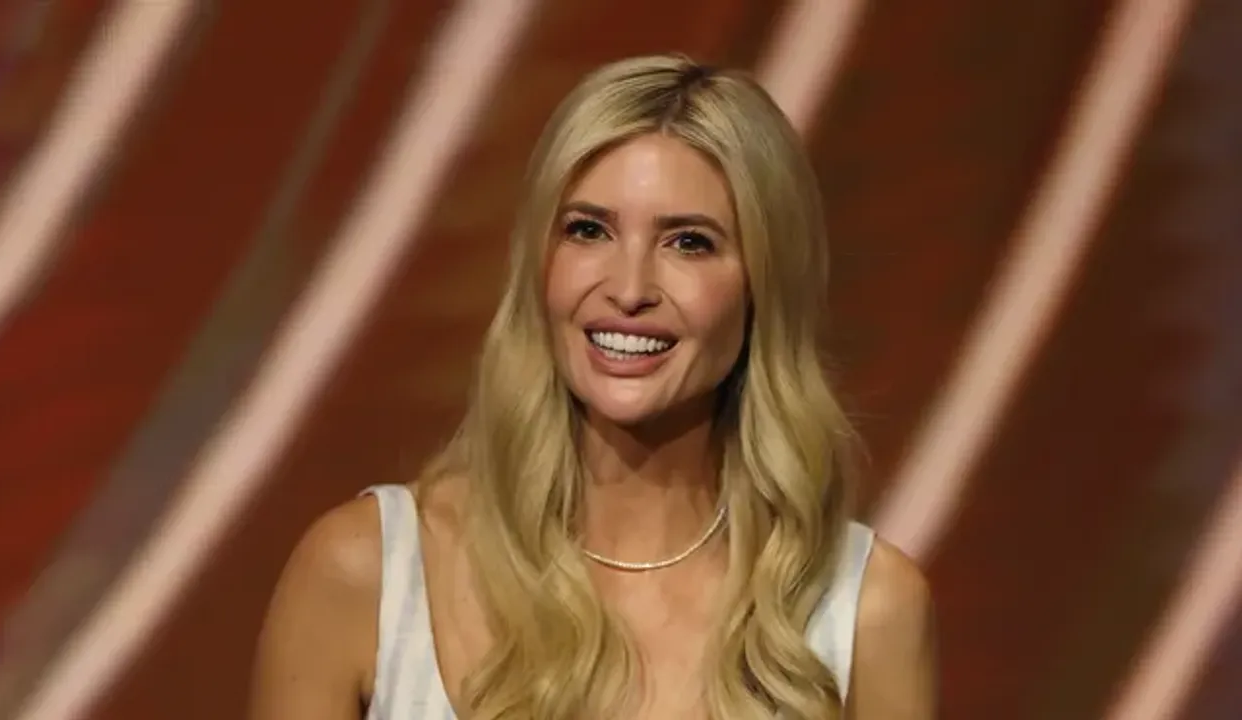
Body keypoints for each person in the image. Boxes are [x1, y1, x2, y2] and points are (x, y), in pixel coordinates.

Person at [250, 54, 936, 720]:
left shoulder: (868, 609)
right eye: (588, 230)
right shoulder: (366, 573)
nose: (629, 289)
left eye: (689, 242)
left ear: (764, 284)